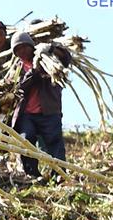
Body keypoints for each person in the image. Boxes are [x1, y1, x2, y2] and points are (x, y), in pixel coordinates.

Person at [9, 30, 72, 181]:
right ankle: (31, 174)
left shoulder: (47, 59)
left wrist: (51, 49)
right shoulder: (16, 68)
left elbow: (66, 58)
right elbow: (18, 88)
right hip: (26, 114)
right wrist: (33, 73)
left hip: (49, 110)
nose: (22, 52)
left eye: (24, 47)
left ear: (31, 46)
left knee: (54, 141)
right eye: (18, 50)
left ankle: (59, 175)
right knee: (26, 140)